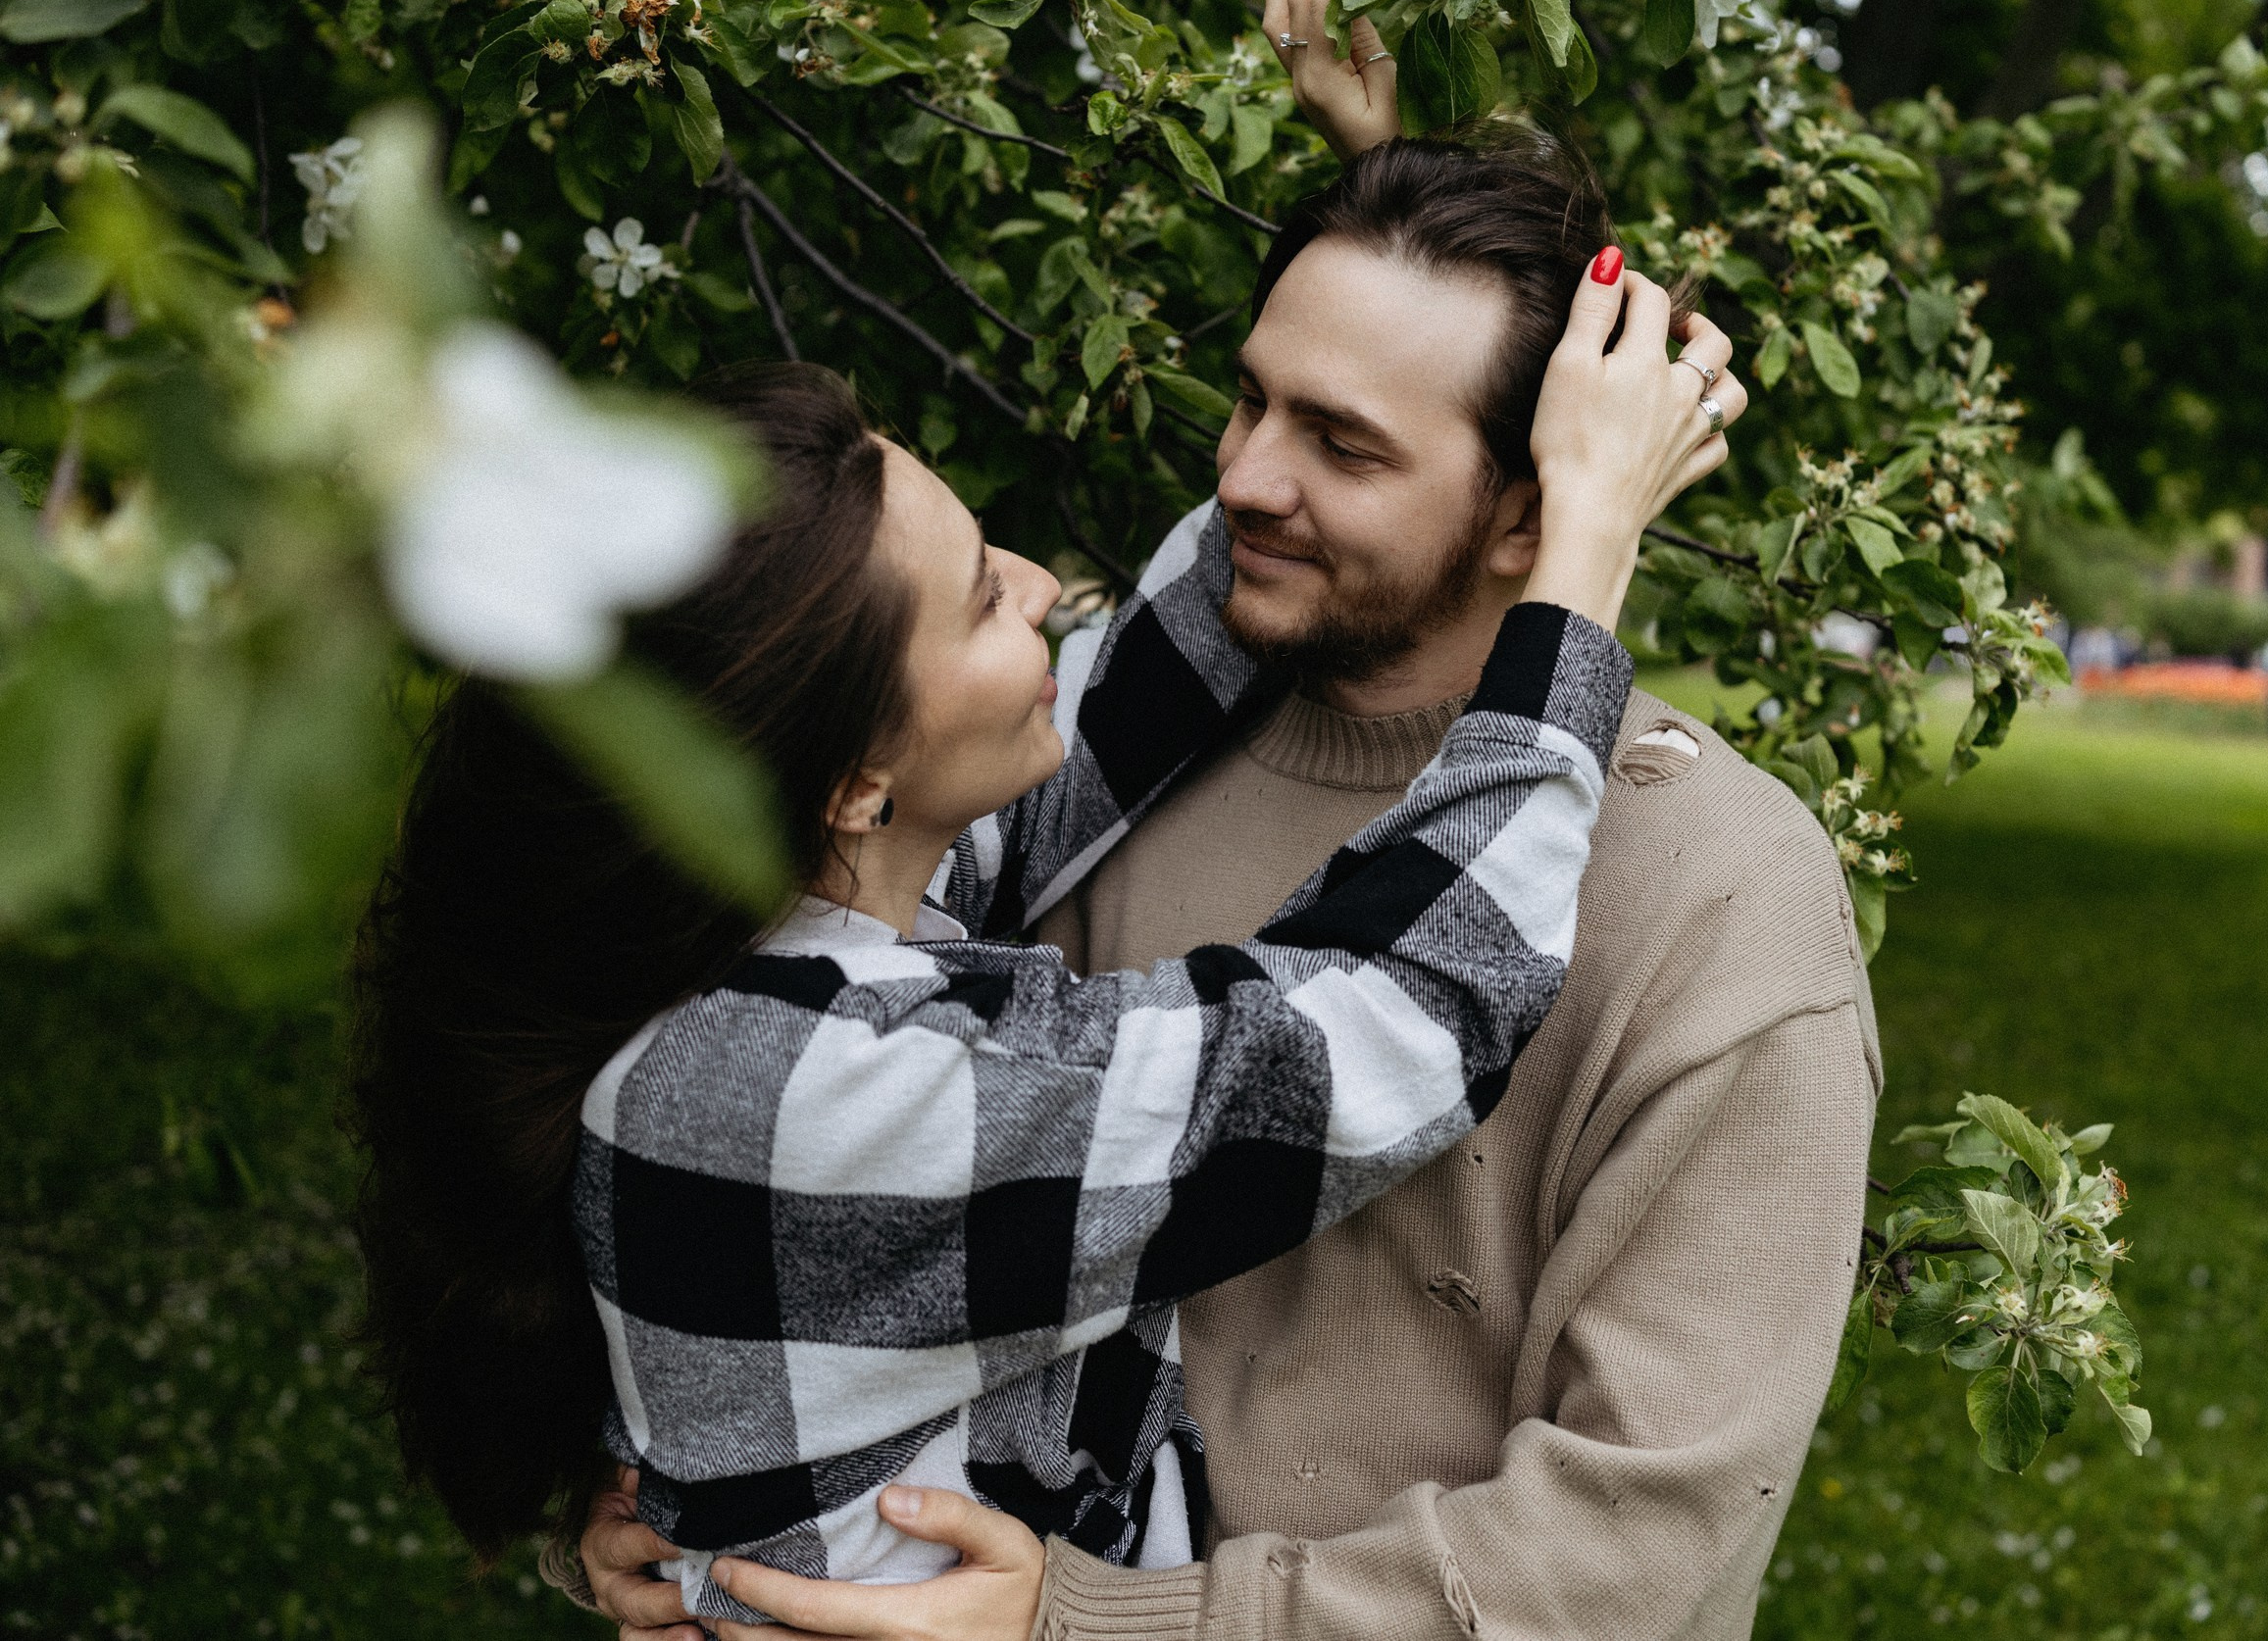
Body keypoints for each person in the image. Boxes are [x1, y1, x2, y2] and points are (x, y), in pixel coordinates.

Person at [582, 96, 1866, 1641]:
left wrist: (1098, 1623)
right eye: (1251, 397)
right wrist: (688, 1505)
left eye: (1340, 438)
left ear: (1528, 512)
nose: (1248, 475)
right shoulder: (1060, 777)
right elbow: (1401, 1004)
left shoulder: (1726, 906)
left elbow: (1634, 1561)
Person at [354, 233, 1737, 1622]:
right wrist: (1584, 549)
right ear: (853, 785)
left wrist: (1371, 246)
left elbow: (1136, 684)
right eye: (978, 600)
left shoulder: (762, 933)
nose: (1039, 585)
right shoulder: (825, 1092)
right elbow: (1395, 1020)